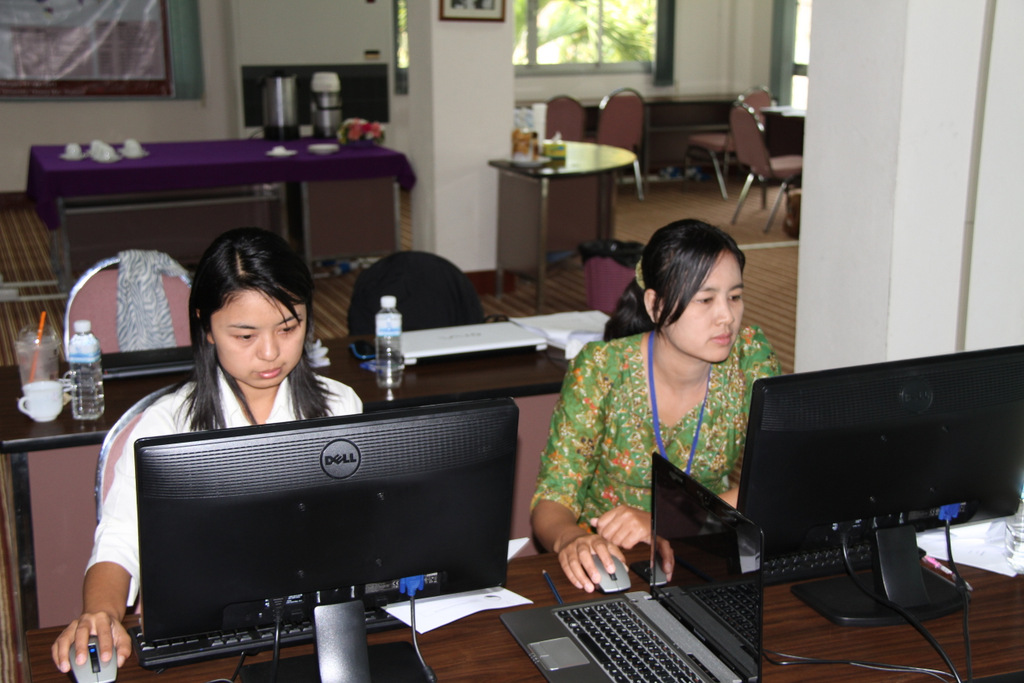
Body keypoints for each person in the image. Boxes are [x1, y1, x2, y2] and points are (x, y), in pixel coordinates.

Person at [52, 227, 362, 673]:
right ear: (207, 327)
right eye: (245, 336)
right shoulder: (167, 423)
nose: (270, 352)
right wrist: (100, 612)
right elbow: (119, 540)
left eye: (289, 328)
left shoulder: (340, 405)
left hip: (317, 626)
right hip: (208, 635)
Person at [530, 219, 781, 593]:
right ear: (654, 304)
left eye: (735, 296)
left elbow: (771, 481)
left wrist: (667, 523)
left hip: (703, 553)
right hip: (610, 565)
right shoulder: (602, 369)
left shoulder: (749, 359)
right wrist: (570, 539)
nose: (727, 316)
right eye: (705, 300)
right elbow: (554, 495)